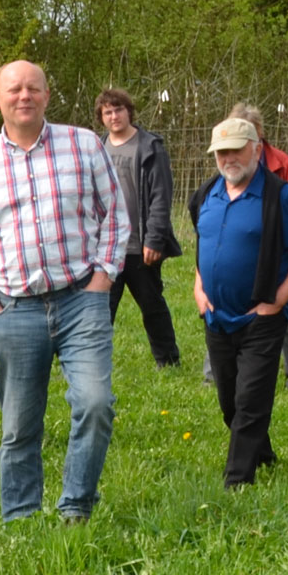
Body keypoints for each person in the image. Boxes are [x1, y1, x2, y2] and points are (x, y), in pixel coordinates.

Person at [0, 60, 128, 524]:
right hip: (14, 309)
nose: (24, 96)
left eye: (33, 88)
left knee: (95, 404)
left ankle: (76, 506)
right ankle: (21, 517)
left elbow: (115, 217)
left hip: (81, 300)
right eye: (14, 89)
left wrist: (101, 282)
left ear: (47, 95)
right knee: (18, 426)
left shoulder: (84, 145)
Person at [190, 117, 288, 485]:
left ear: (257, 149)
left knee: (250, 400)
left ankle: (236, 481)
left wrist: (276, 301)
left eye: (236, 150)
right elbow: (205, 244)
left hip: (261, 318)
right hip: (216, 317)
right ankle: (261, 453)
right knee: (229, 403)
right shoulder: (206, 194)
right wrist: (199, 288)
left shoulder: (280, 197)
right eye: (221, 152)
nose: (228, 158)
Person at [220, 103, 288, 388]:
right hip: (241, 247)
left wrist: (279, 229)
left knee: (284, 303)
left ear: (259, 134)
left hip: (276, 253)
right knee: (227, 302)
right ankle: (216, 373)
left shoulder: (281, 164)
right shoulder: (230, 166)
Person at [99, 87, 182, 367]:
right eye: (108, 112)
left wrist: (154, 239)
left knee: (151, 305)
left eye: (118, 110)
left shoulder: (149, 147)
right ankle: (93, 362)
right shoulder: (98, 148)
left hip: (140, 245)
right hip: (107, 247)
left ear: (129, 112)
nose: (114, 116)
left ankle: (168, 360)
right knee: (100, 309)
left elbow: (161, 196)